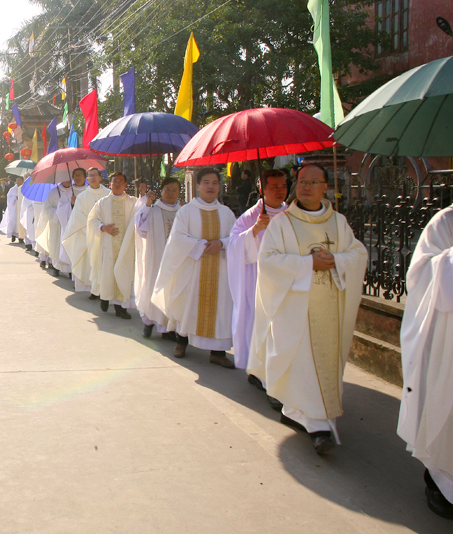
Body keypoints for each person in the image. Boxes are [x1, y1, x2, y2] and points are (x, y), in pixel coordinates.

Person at [251, 164, 366, 455]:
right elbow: (268, 261)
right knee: (301, 363)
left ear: (325, 187)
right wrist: (307, 264)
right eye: (302, 181)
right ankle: (317, 425)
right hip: (296, 307)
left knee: (323, 364)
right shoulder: (282, 223)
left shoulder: (338, 222)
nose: (306, 186)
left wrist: (337, 259)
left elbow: (358, 253)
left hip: (330, 305)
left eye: (314, 182)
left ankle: (299, 413)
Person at [397, 199, 453, 519]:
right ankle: (442, 484)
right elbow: (421, 275)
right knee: (448, 415)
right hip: (450, 344)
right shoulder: (446, 221)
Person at [153, 168, 236, 368]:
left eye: (214, 182)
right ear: (197, 186)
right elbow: (178, 239)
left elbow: (236, 238)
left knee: (221, 307)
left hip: (220, 269)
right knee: (188, 303)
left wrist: (222, 244)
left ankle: (218, 351)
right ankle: (182, 341)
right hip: (193, 268)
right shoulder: (186, 211)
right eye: (206, 182)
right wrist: (202, 246)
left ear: (219, 186)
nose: (210, 186)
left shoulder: (226, 213)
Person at [227, 170, 289, 384]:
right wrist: (254, 231)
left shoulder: (293, 214)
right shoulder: (251, 217)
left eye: (283, 186)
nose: (280, 190)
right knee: (261, 325)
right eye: (274, 186)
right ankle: (258, 371)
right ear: (261, 189)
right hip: (259, 280)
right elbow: (233, 245)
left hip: (287, 280)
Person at [87, 172, 139, 319]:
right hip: (107, 246)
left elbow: (144, 214)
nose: (117, 184)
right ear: (110, 184)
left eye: (120, 181)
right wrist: (103, 228)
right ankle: (105, 297)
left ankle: (120, 308)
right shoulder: (102, 202)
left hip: (126, 247)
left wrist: (143, 194)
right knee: (108, 273)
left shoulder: (134, 202)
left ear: (125, 185)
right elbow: (92, 220)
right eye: (114, 181)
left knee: (123, 273)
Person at [135, 177, 181, 338]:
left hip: (177, 260)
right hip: (156, 258)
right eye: (167, 189)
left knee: (173, 290)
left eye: (174, 190)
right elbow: (141, 228)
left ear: (179, 192)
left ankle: (168, 328)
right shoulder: (153, 209)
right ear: (161, 191)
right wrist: (147, 204)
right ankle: (148, 322)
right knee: (153, 288)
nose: (170, 193)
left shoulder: (183, 212)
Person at [62, 167, 110, 294]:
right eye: (90, 175)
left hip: (107, 234)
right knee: (90, 262)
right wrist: (96, 227)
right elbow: (78, 216)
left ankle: (104, 290)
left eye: (95, 175)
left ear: (100, 177)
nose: (93, 178)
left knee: (105, 263)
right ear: (87, 179)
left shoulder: (109, 194)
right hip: (88, 235)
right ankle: (92, 289)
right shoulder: (82, 197)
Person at [56, 168, 88, 279]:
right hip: (73, 227)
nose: (77, 178)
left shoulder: (90, 191)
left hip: (87, 227)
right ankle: (75, 276)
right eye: (75, 175)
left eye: (80, 175)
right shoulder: (68, 192)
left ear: (85, 177)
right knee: (74, 250)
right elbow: (60, 210)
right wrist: (70, 204)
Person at [1, 176, 25, 243]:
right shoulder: (12, 189)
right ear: (16, 181)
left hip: (21, 208)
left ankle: (21, 237)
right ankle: (13, 235)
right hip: (14, 208)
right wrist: (14, 198)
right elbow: (9, 198)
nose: (19, 182)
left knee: (21, 222)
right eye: (18, 180)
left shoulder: (24, 188)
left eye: (21, 180)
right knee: (13, 222)